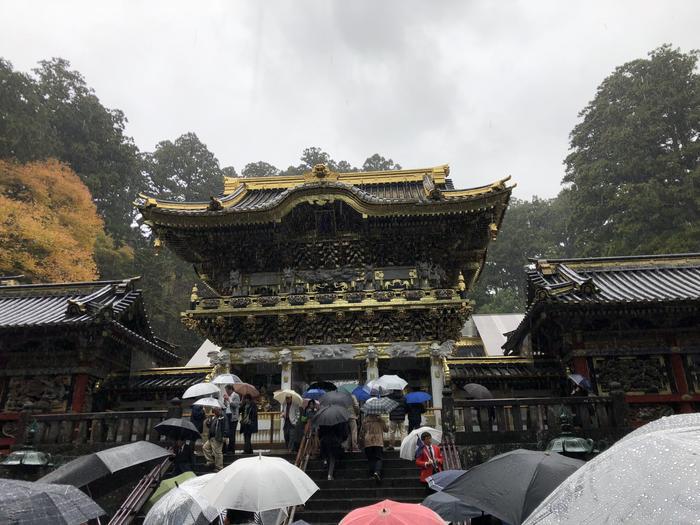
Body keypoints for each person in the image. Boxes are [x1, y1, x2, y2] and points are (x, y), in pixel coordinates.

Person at [361, 413, 388, 482]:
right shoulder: (380, 420)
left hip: (368, 442)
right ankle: (377, 472)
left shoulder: (365, 420)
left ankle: (372, 474)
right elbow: (386, 429)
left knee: (370, 459)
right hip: (378, 441)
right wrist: (382, 421)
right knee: (378, 458)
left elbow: (362, 432)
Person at [203, 406, 229, 471]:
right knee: (205, 447)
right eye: (213, 410)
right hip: (212, 437)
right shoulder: (215, 417)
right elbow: (210, 425)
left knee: (217, 452)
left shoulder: (223, 416)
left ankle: (219, 467)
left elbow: (226, 427)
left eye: (214, 410)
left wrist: (225, 436)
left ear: (218, 409)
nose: (213, 412)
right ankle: (211, 462)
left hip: (218, 437)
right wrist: (208, 422)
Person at [223, 385, 240, 453]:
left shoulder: (236, 396)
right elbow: (225, 406)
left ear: (230, 390)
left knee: (232, 434)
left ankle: (232, 449)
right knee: (226, 432)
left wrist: (229, 399)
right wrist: (225, 401)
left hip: (233, 417)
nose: (226, 392)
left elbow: (235, 405)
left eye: (227, 390)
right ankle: (226, 449)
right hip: (227, 415)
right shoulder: (227, 396)